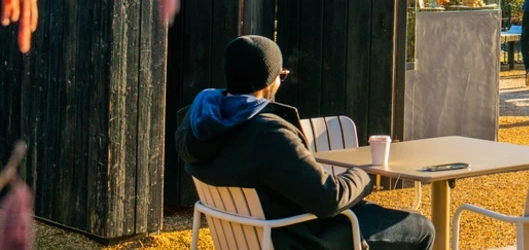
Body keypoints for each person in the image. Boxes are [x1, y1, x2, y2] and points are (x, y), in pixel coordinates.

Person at [177, 36, 434, 250]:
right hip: (297, 238)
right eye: (281, 75)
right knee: (421, 227)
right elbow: (329, 199)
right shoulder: (267, 133)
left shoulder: (199, 125)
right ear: (270, 80)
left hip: (248, 236)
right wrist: (363, 177)